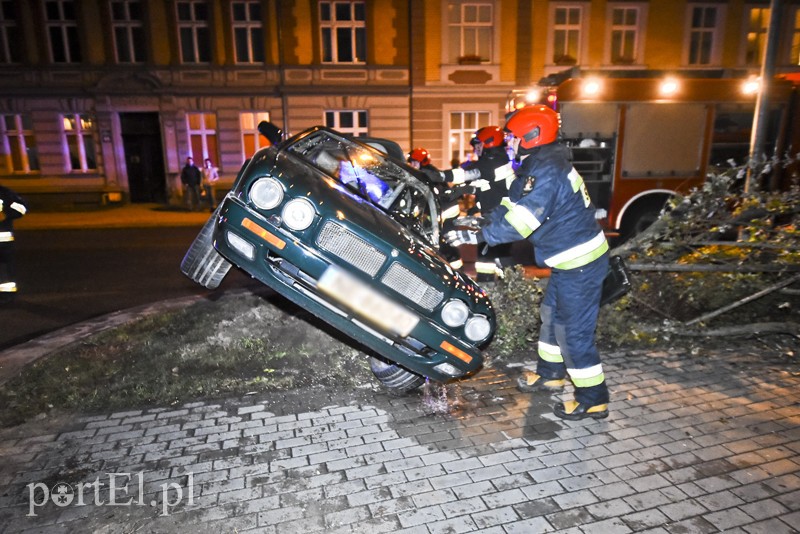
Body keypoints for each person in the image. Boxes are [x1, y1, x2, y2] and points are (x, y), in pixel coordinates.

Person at [446, 105, 610, 421]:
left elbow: (522, 223)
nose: (510, 144)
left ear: (533, 136)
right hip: (568, 262)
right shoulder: (537, 166)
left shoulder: (548, 172)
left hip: (581, 263)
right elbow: (511, 205)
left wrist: (479, 236)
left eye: (515, 138)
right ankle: (550, 375)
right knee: (551, 316)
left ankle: (593, 399)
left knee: (573, 332)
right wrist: (480, 221)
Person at [438, 126, 516, 280]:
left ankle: (497, 284)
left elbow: (467, 174)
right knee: (493, 255)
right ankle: (504, 282)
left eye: (478, 145)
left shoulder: (493, 162)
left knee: (492, 255)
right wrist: (470, 198)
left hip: (499, 217)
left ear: (489, 143)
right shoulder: (498, 161)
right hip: (498, 215)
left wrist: (439, 176)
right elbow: (486, 186)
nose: (476, 149)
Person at [0, 183, 28, 304]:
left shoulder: (4, 193)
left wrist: (6, 213)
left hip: (2, 242)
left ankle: (6, 295)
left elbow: (22, 208)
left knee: (4, 269)